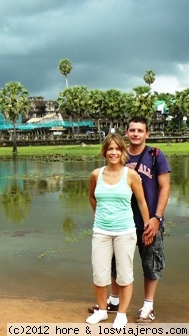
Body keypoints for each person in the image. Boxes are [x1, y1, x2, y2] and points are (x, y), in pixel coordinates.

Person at [88, 116, 171, 323]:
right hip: (121, 222)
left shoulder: (155, 155)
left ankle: (148, 306)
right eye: (132, 130)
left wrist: (156, 218)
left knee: (150, 263)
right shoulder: (121, 158)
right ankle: (114, 301)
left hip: (148, 221)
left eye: (140, 130)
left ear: (146, 134)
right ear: (127, 133)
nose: (135, 134)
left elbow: (165, 187)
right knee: (116, 265)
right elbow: (98, 191)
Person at [86, 133, 149, 329]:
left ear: (122, 151)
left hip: (125, 232)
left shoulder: (130, 175)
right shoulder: (96, 174)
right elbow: (92, 197)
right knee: (100, 274)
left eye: (117, 149)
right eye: (110, 149)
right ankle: (103, 311)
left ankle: (121, 314)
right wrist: (99, 215)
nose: (113, 152)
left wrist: (147, 226)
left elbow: (141, 202)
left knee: (124, 275)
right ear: (104, 152)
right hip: (101, 231)